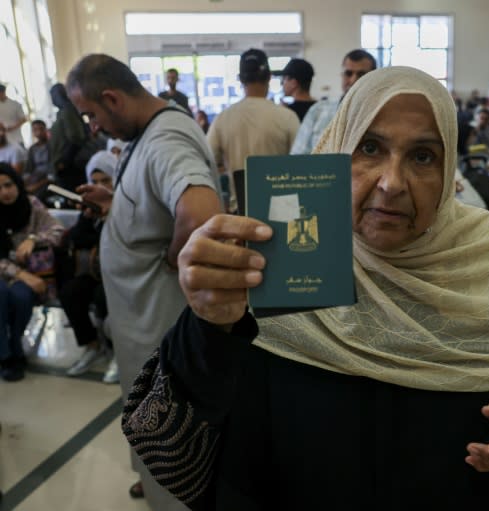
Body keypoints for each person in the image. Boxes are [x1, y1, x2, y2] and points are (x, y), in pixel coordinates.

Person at [122, 67, 489, 510]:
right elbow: (164, 436)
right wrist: (208, 325)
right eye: (369, 148)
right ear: (335, 151)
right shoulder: (273, 258)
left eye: (423, 156)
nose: (391, 183)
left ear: (448, 174)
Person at [66, 53, 223, 510]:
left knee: (168, 420)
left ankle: (170, 497)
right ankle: (153, 480)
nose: (92, 125)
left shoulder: (166, 137)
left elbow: (200, 215)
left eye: (92, 113)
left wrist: (175, 259)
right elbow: (155, 203)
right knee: (148, 414)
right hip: (140, 323)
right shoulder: (146, 132)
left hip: (159, 321)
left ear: (112, 98)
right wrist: (116, 203)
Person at [206, 48, 299, 204]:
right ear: (269, 77)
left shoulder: (222, 119)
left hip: (242, 208)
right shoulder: (287, 117)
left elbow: (207, 161)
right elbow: (302, 163)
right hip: (282, 206)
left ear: (240, 79)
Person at [0, 163, 64, 381]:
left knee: (20, 297)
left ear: (17, 183)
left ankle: (12, 346)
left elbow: (58, 230)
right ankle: (9, 356)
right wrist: (20, 274)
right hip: (8, 274)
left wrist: (33, 238)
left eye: (8, 185)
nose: (5, 192)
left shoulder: (31, 205)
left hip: (31, 273)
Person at [60, 150, 117, 382]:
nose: (100, 186)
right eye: (94, 182)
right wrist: (87, 217)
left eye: (105, 180)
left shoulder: (123, 205)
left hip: (118, 274)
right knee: (70, 292)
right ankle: (92, 346)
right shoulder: (89, 211)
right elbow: (77, 238)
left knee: (104, 297)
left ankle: (116, 350)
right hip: (95, 271)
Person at [290, 49, 376, 154]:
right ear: (342, 75)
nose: (353, 80)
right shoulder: (318, 111)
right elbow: (299, 157)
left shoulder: (380, 113)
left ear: (373, 77)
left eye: (361, 75)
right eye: (348, 73)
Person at [24, 120, 51, 198]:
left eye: (41, 129)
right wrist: (25, 181)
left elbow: (52, 174)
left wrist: (36, 186)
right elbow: (28, 168)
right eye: (35, 130)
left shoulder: (51, 146)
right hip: (35, 178)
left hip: (46, 180)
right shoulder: (32, 149)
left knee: (38, 195)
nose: (38, 132)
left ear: (46, 129)